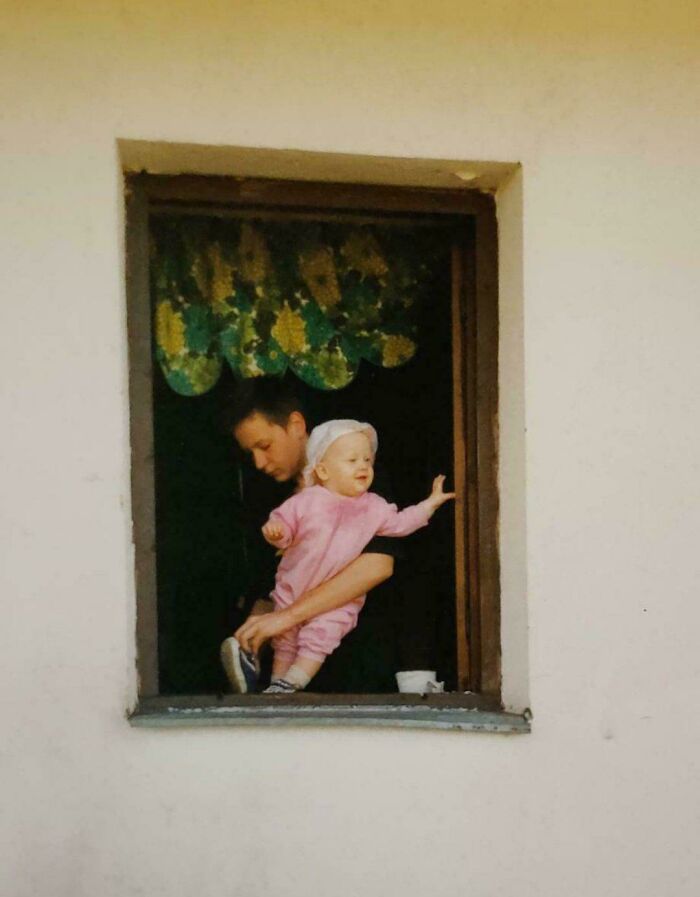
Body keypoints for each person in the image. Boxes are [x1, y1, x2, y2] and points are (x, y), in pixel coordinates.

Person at [232, 419, 454, 693]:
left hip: (339, 606)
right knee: (284, 641)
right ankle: (275, 687)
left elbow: (399, 526)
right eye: (352, 460)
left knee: (320, 636)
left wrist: (429, 505)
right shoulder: (306, 500)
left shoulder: (374, 505)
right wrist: (277, 533)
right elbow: (284, 526)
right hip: (294, 588)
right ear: (323, 470)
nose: (363, 466)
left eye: (367, 460)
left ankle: (292, 682)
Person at [219, 378, 406, 693]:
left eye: (264, 446)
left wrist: (287, 617)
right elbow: (271, 588)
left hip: (356, 669)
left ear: (296, 425)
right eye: (251, 452)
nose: (258, 463)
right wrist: (251, 641)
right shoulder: (271, 499)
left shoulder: (355, 468)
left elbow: (378, 565)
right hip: (287, 677)